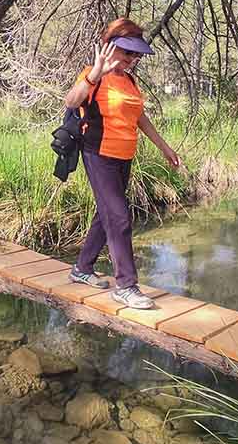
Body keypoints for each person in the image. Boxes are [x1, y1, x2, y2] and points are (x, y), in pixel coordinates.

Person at [63, 18, 181, 310]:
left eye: (136, 55)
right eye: (128, 53)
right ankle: (126, 286)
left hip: (124, 156)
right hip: (98, 154)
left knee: (106, 216)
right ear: (111, 47)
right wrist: (94, 74)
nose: (133, 59)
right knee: (119, 218)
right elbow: (71, 100)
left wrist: (165, 147)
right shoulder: (94, 75)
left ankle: (82, 268)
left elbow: (139, 116)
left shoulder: (128, 80)